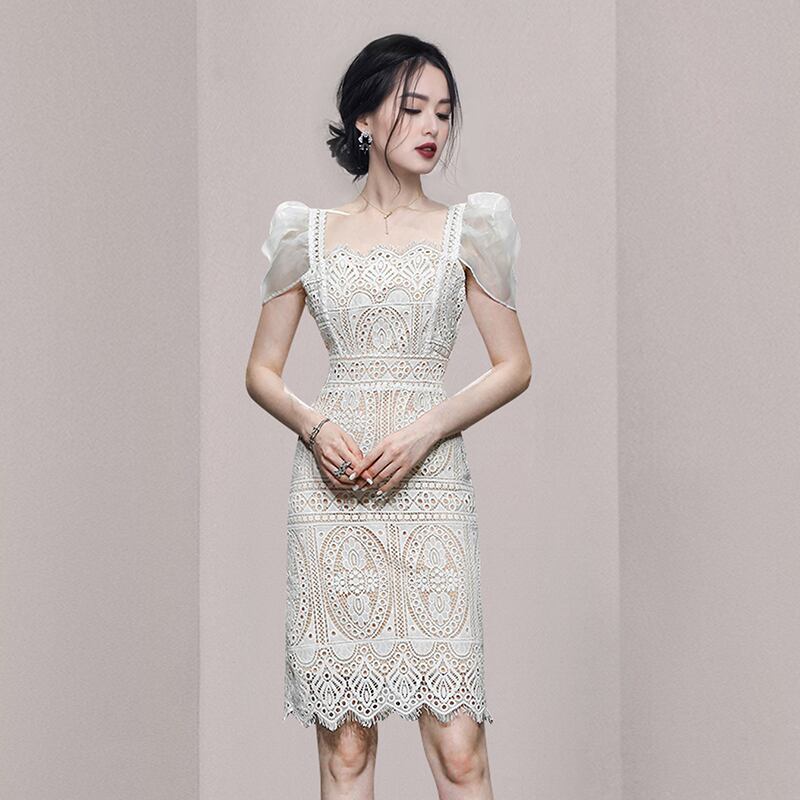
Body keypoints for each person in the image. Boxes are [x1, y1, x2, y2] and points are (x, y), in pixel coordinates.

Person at [246, 33, 532, 800]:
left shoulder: (469, 229)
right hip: (335, 494)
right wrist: (314, 427)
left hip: (430, 490)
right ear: (364, 118)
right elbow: (261, 371)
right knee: (346, 752)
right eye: (413, 108)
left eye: (443, 111)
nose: (433, 126)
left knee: (461, 752)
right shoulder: (304, 233)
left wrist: (428, 428)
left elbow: (514, 364)